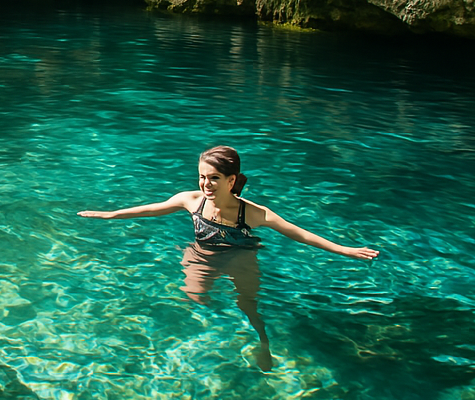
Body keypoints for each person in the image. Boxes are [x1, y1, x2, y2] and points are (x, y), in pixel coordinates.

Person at [77, 145, 378, 370]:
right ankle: (199, 340)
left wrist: (345, 250)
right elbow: (151, 209)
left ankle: (263, 343)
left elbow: (299, 234)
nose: (206, 184)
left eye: (214, 178)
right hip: (202, 255)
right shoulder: (191, 200)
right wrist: (109, 214)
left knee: (248, 305)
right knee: (194, 297)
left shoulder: (252, 213)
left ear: (231, 180)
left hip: (240, 257)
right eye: (202, 177)